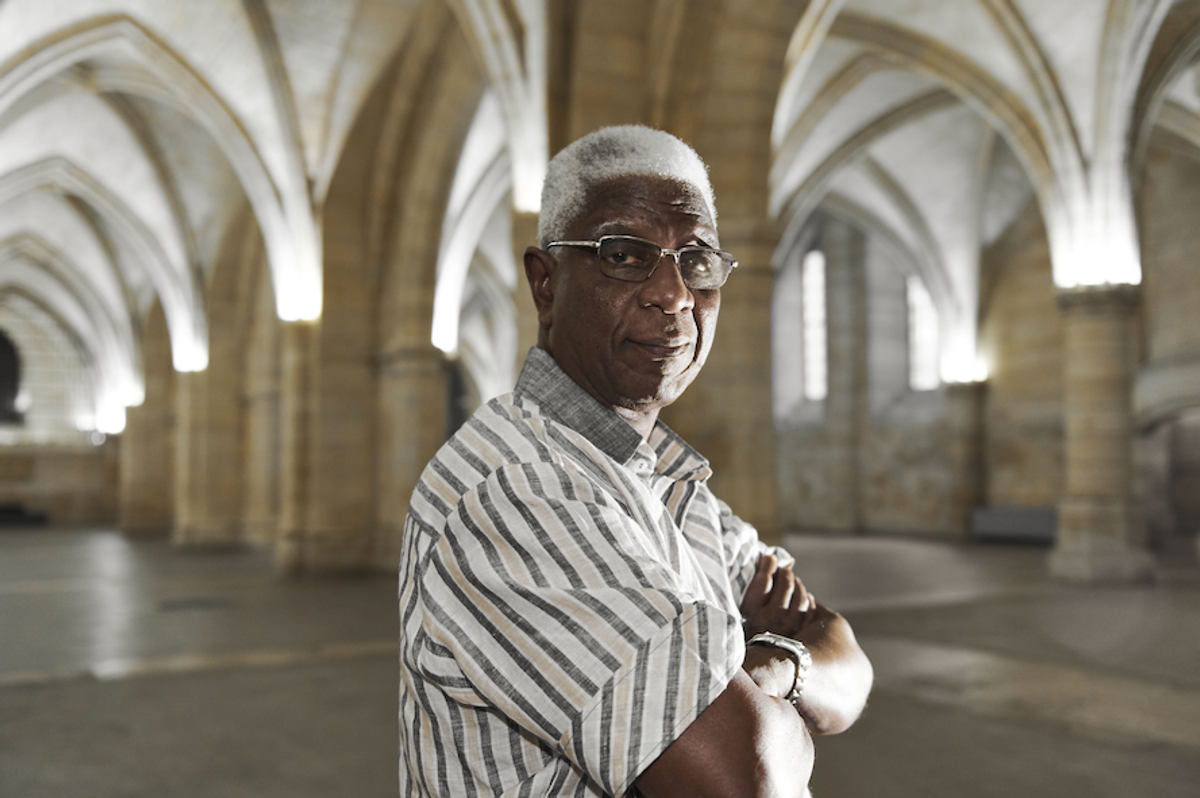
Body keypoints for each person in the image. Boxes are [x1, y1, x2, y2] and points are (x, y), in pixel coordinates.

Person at [398, 125, 872, 798]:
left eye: (698, 261)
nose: (674, 295)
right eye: (624, 255)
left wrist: (763, 674)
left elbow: (848, 661)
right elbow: (746, 778)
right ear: (545, 282)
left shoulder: (670, 483)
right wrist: (760, 682)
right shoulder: (515, 492)